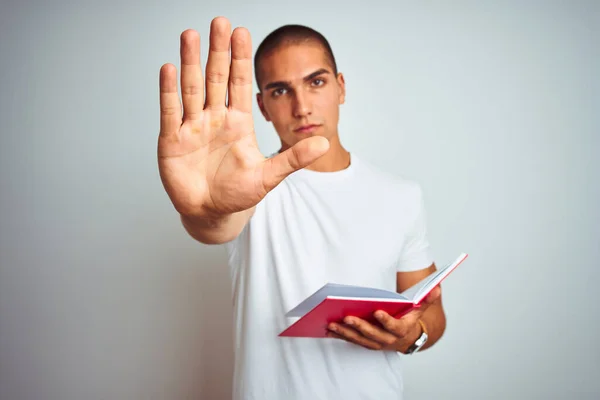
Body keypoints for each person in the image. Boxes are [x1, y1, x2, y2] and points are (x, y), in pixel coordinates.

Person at [158, 15, 447, 400]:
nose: (301, 106)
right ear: (261, 106)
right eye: (280, 91)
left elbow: (432, 313)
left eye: (316, 82)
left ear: (340, 87)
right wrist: (205, 208)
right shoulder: (248, 190)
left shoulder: (402, 195)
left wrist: (411, 335)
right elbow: (214, 226)